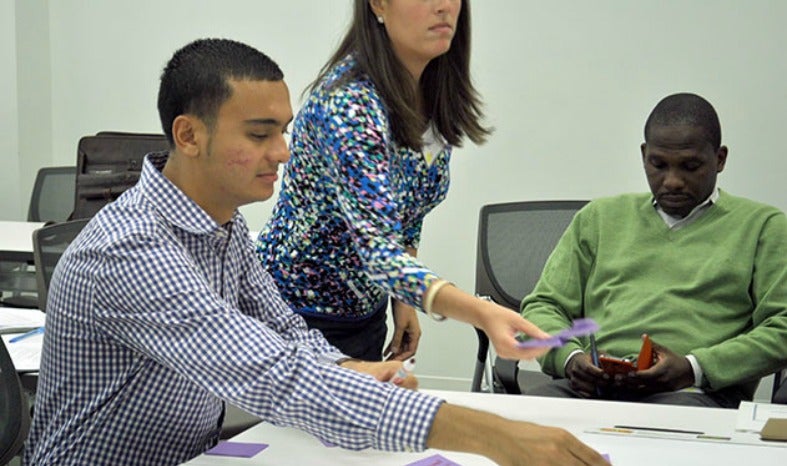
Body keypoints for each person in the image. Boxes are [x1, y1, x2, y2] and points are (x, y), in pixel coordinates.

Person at [23, 38, 606, 466]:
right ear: (189, 136)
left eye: (284, 130)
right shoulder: (130, 252)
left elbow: (288, 334)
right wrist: (492, 436)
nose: (282, 152)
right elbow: (270, 373)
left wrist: (352, 369)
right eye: (258, 135)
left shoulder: (220, 229)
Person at [256, 0, 542, 363]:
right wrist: (482, 313)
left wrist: (403, 299)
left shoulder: (429, 93)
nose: (443, 7)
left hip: (364, 314)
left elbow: (409, 210)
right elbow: (377, 252)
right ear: (378, 4)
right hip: (294, 314)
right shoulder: (349, 105)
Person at [521, 92, 787, 408]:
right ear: (644, 155)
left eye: (690, 166)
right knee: (517, 425)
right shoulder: (600, 218)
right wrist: (570, 358)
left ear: (720, 159)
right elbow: (543, 306)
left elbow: (782, 327)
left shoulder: (764, 228)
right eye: (658, 164)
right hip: (589, 389)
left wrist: (694, 368)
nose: (672, 181)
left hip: (694, 395)